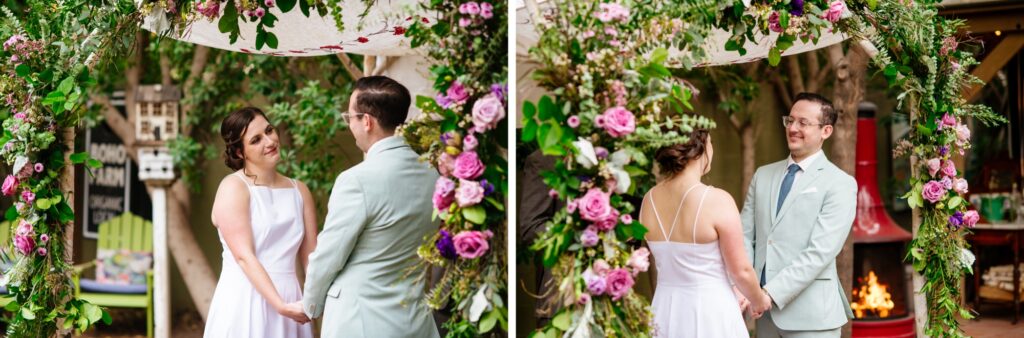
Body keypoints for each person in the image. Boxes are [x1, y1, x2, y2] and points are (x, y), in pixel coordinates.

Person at [295, 76, 440, 337]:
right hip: (414, 321)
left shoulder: (356, 180)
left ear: (367, 121)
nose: (349, 124)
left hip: (359, 322)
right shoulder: (433, 174)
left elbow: (329, 255)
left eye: (349, 117)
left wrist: (311, 305)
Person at [741, 93, 857, 337]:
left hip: (813, 317)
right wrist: (747, 288)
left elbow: (820, 252)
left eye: (803, 123)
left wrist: (769, 294)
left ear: (826, 131)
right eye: (790, 120)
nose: (793, 128)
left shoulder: (840, 183)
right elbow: (744, 237)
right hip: (763, 314)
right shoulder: (763, 175)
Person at [641, 128, 771, 337]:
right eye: (711, 144)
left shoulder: (649, 199)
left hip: (664, 310)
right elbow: (741, 271)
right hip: (710, 312)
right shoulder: (717, 200)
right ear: (699, 150)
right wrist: (759, 299)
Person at [205, 107, 318, 338]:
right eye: (256, 140)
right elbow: (244, 256)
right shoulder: (233, 188)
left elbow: (312, 257)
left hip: (292, 299)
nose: (270, 141)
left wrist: (316, 298)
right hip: (245, 299)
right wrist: (279, 305)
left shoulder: (300, 190)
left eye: (269, 130)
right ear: (239, 152)